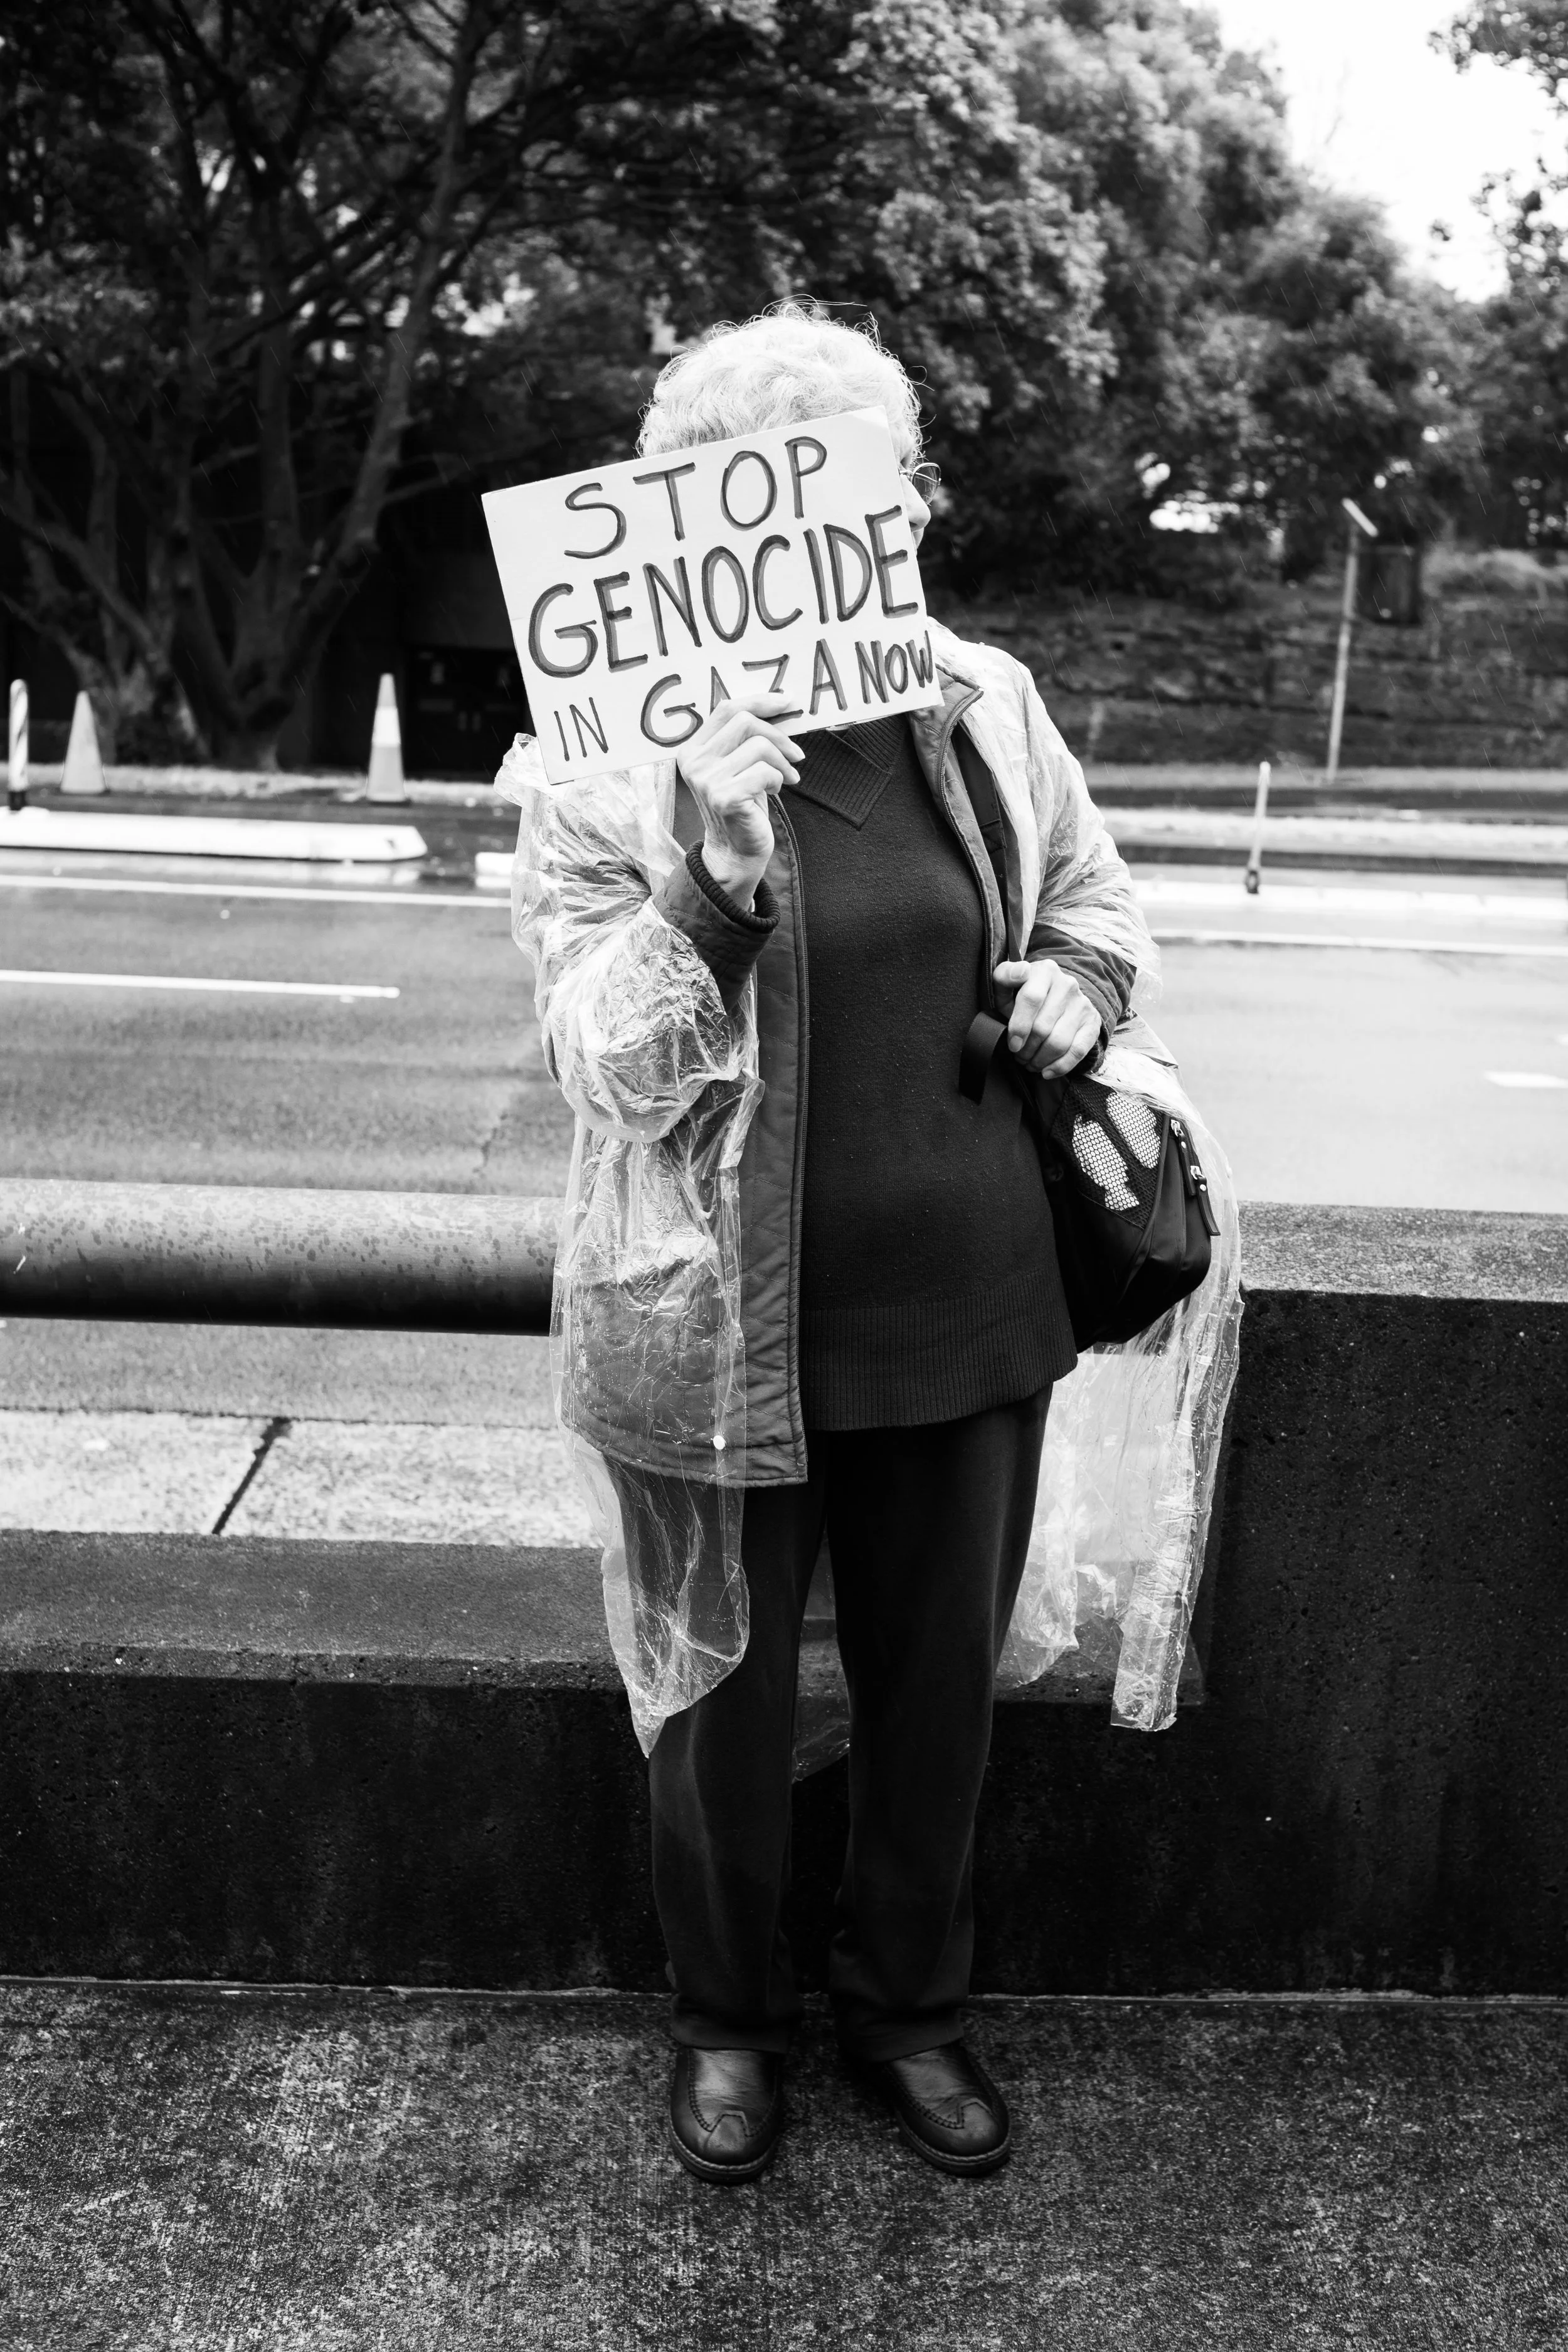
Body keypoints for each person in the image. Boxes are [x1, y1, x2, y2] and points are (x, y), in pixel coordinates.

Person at [503, 302, 1162, 2184]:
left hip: (966, 1300)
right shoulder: (596, 764)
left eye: (867, 485)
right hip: (705, 1328)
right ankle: (725, 2023)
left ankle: (911, 2005)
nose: (833, 534)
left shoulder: (978, 697)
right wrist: (706, 885)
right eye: (763, 496)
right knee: (713, 1707)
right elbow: (605, 1069)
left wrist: (1079, 985)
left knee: (935, 1689)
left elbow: (1103, 894)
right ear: (686, 519)